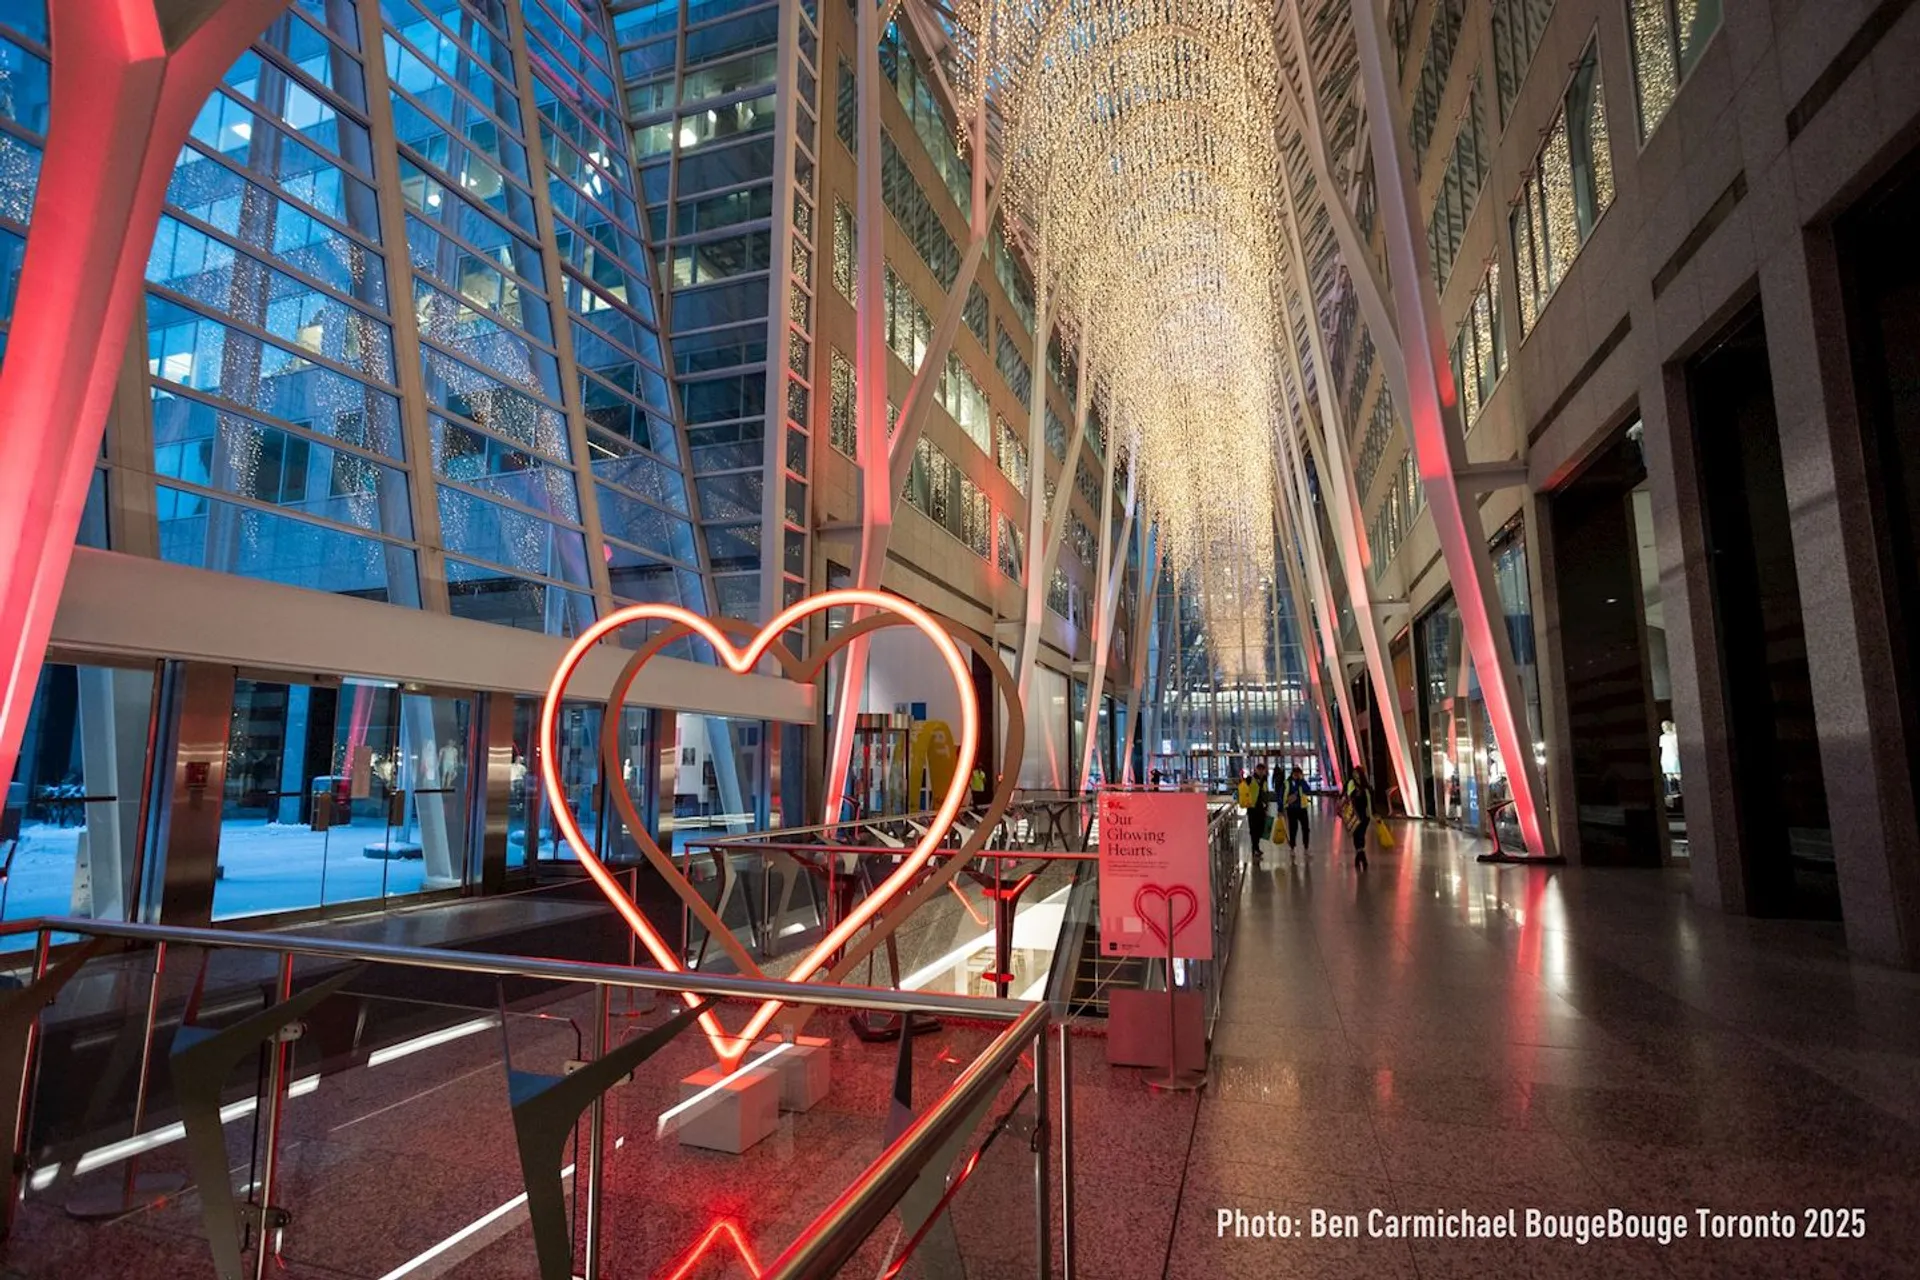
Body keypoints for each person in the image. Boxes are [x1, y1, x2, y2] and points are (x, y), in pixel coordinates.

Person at [1237, 763, 1271, 861]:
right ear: (1255, 770)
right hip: (1252, 807)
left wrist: (1267, 804)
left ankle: (1256, 846)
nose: (1260, 772)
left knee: (1261, 827)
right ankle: (1255, 848)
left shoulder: (1264, 780)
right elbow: (1242, 786)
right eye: (1259, 770)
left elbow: (1265, 792)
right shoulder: (1250, 779)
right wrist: (1241, 778)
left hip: (1261, 807)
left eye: (1262, 770)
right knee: (1254, 828)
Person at [1342, 766, 1373, 871]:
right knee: (1356, 836)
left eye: (1357, 773)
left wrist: (1371, 813)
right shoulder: (1350, 784)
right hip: (1353, 815)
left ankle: (1360, 856)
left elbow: (1369, 799)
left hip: (1364, 815)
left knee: (1361, 835)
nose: (1355, 775)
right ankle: (1361, 856)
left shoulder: (1365, 786)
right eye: (1354, 773)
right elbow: (1345, 796)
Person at [1283, 765, 1312, 854]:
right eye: (1295, 774)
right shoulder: (1287, 783)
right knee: (1293, 828)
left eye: (1299, 774)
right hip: (1291, 809)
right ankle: (1292, 846)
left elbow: (1307, 790)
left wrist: (1302, 781)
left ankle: (1306, 846)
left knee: (1306, 828)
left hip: (1302, 808)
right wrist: (1281, 808)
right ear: (1292, 774)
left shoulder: (1301, 782)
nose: (1297, 775)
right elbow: (1282, 794)